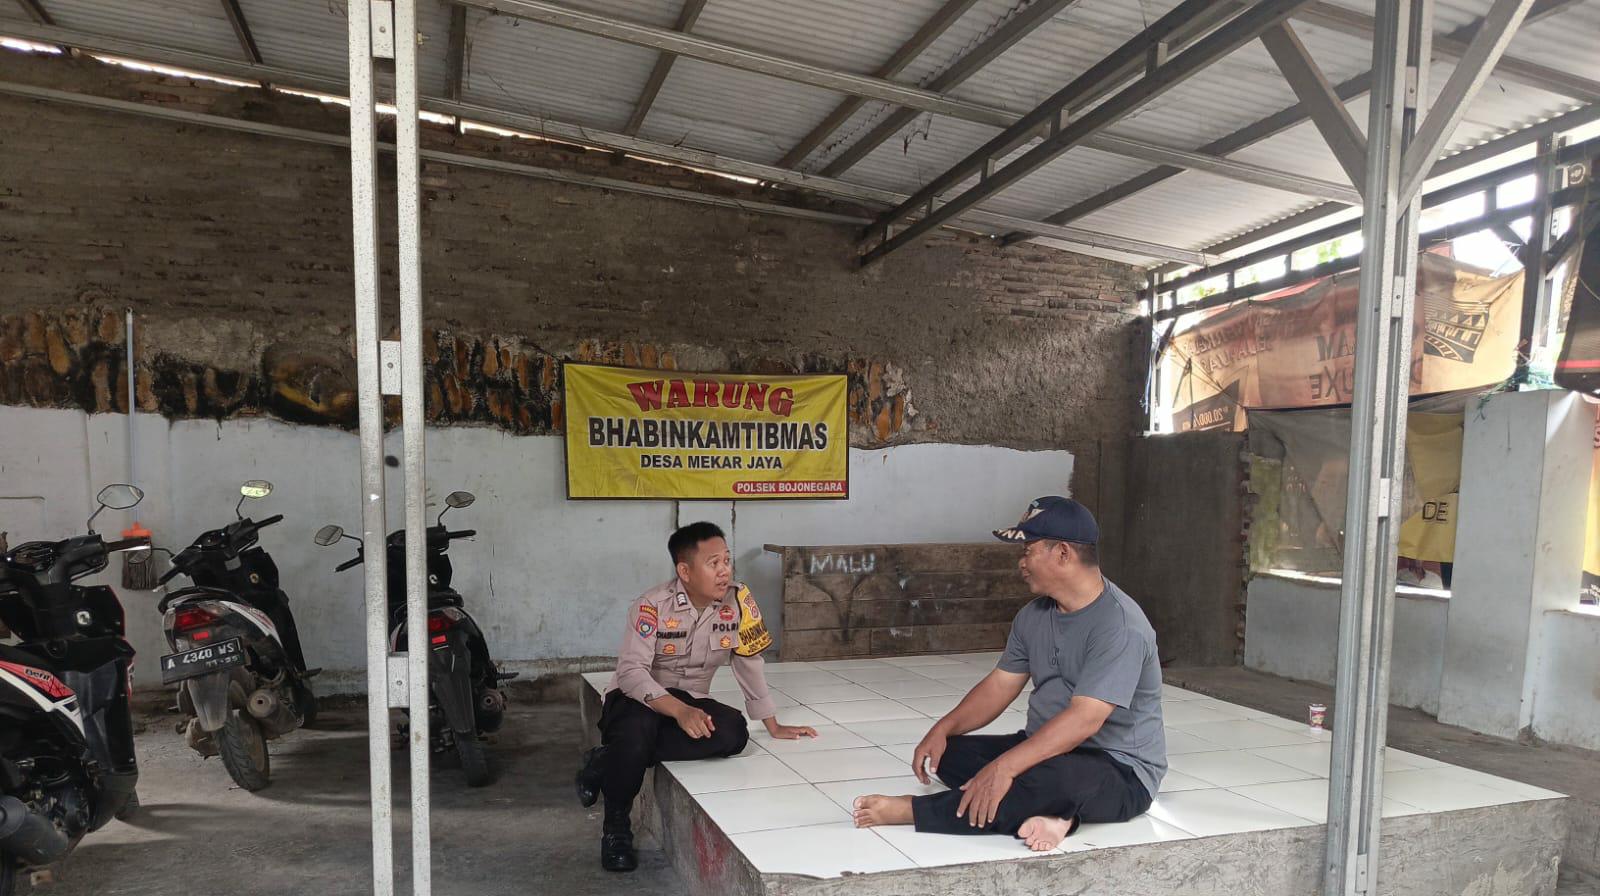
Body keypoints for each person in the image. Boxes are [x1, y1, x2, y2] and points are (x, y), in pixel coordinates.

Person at [852, 496, 1166, 851]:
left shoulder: (1120, 625)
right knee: (950, 756)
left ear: (1063, 553)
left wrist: (1005, 768)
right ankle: (1058, 814)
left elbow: (1085, 721)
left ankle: (913, 810)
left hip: (1117, 767)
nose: (1021, 562)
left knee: (1053, 781)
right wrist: (943, 728)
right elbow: (999, 686)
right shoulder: (1034, 615)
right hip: (1047, 749)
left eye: (1028, 550)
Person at [575, 522, 818, 871]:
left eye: (727, 561)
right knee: (637, 731)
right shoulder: (652, 605)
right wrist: (679, 711)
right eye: (713, 563)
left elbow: (748, 662)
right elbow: (630, 674)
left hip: (690, 698)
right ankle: (616, 828)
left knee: (733, 732)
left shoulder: (738, 603)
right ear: (685, 571)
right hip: (636, 700)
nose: (724, 571)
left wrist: (773, 724)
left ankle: (606, 759)